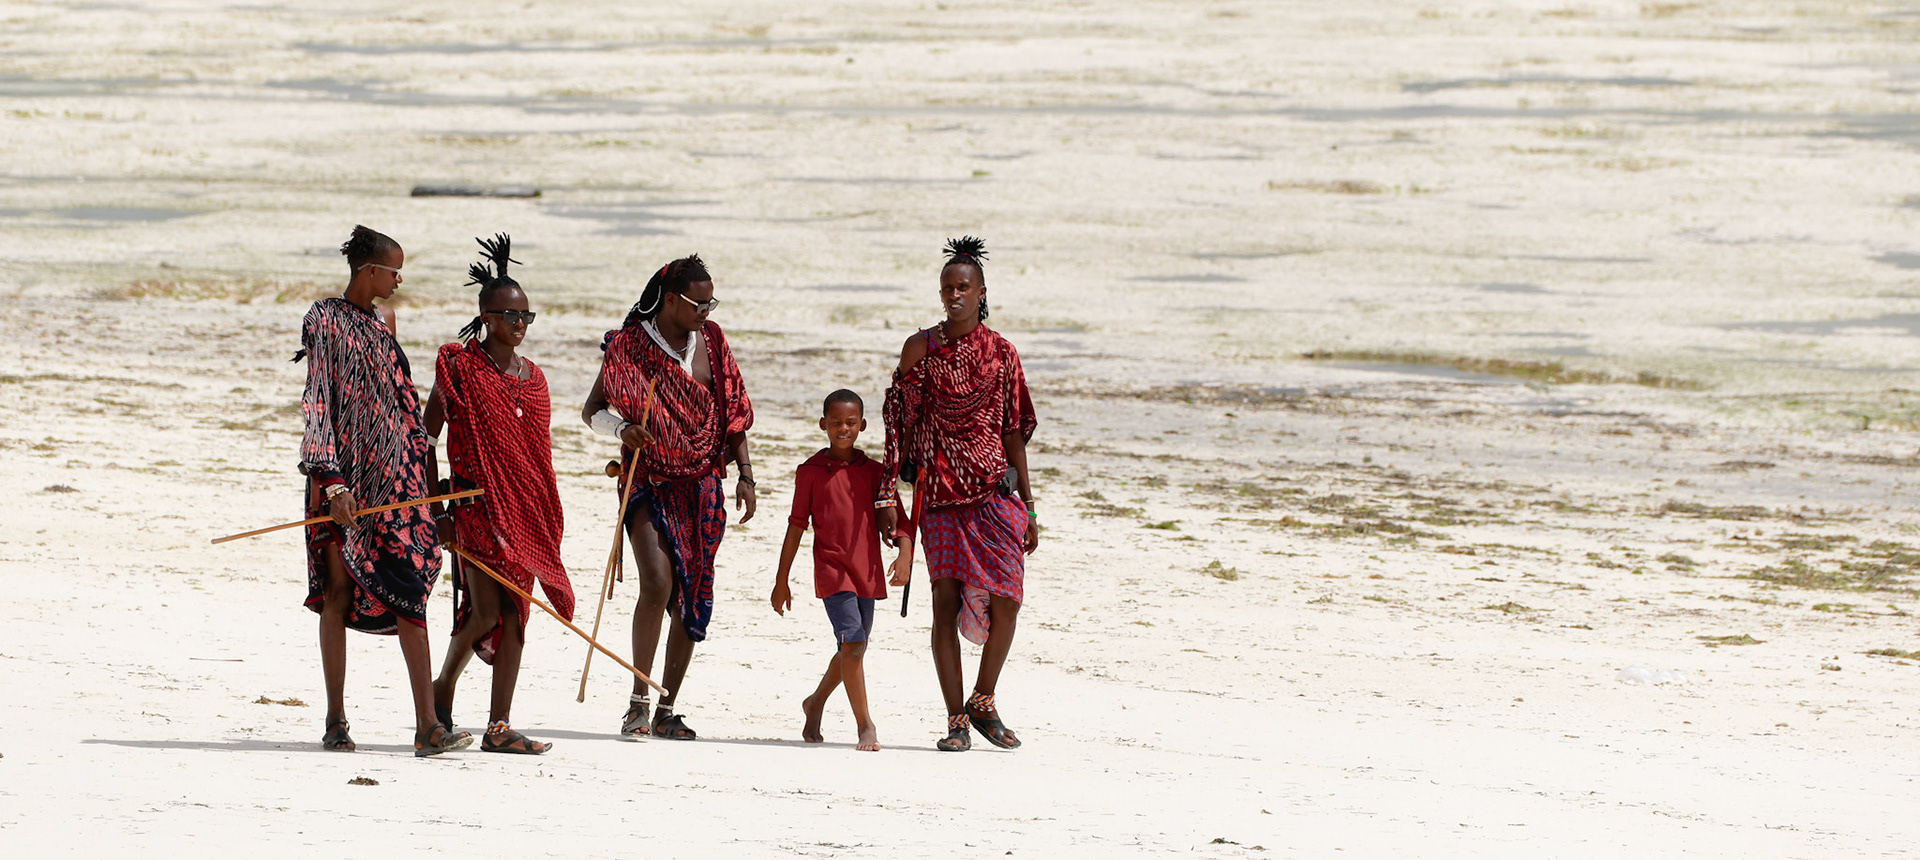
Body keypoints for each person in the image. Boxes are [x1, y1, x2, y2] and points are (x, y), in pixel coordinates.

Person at [296, 224, 470, 757]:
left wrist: (429, 491)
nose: (399, 279)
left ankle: (427, 726)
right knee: (338, 594)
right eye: (394, 270)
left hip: (395, 482)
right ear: (369, 270)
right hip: (341, 483)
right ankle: (334, 719)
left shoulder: (385, 321)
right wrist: (331, 482)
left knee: (411, 589)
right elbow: (319, 397)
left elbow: (400, 405)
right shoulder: (322, 319)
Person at [582, 254, 755, 740]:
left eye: (710, 302)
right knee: (657, 584)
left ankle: (667, 706)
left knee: (690, 594)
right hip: (649, 480)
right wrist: (624, 428)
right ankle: (638, 701)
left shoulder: (714, 341)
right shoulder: (630, 346)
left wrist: (746, 474)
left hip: (701, 482)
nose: (706, 310)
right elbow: (592, 409)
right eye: (699, 303)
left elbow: (734, 413)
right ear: (672, 300)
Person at [882, 236, 1039, 752]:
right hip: (941, 495)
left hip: (994, 491)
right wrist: (891, 494)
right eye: (947, 286)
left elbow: (1013, 431)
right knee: (944, 604)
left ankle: (984, 700)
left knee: (1008, 602)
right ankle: (954, 718)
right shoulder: (920, 348)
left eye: (962, 287)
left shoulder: (1002, 354)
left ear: (981, 292)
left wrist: (1031, 506)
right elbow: (897, 422)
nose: (953, 294)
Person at [424, 234, 572, 755]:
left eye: (528, 317)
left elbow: (539, 458)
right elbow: (428, 439)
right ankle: (441, 687)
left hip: (525, 515)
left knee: (516, 615)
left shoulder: (535, 381)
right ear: (487, 317)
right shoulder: (460, 370)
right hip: (474, 509)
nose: (521, 325)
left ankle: (498, 727)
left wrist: (547, 515)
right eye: (512, 316)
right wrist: (436, 511)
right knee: (486, 612)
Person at [771, 389, 894, 752]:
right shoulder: (809, 472)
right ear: (823, 425)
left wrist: (903, 555)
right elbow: (796, 526)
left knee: (852, 649)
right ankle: (865, 726)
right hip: (832, 570)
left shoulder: (875, 472)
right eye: (837, 422)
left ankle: (816, 701)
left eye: (851, 423)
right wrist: (781, 581)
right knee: (853, 643)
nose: (844, 429)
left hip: (866, 572)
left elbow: (898, 520)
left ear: (863, 426)